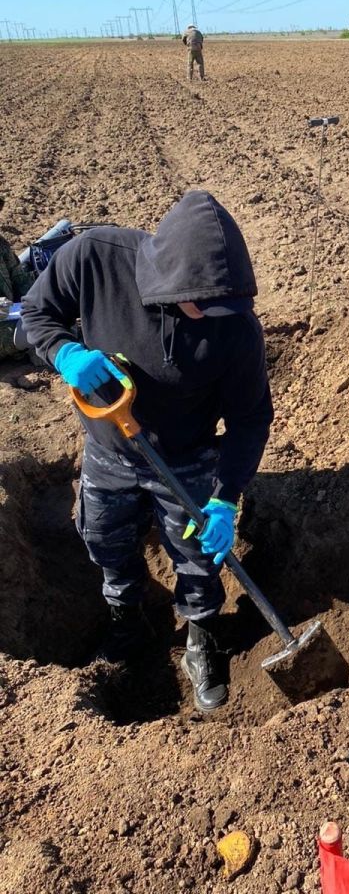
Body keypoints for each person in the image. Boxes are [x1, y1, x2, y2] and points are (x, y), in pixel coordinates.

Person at [21, 190, 274, 712]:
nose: (211, 316)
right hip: (109, 448)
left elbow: (250, 420)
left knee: (200, 555)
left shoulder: (235, 327)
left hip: (186, 456)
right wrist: (64, 351)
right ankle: (126, 616)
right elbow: (35, 315)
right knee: (103, 538)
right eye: (202, 303)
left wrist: (226, 498)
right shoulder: (95, 258)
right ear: (171, 279)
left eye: (225, 305)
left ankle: (201, 632)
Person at [0, 229, 34, 361]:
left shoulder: (1, 244)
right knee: (32, 331)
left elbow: (21, 279)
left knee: (53, 316)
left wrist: (38, 301)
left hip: (11, 315)